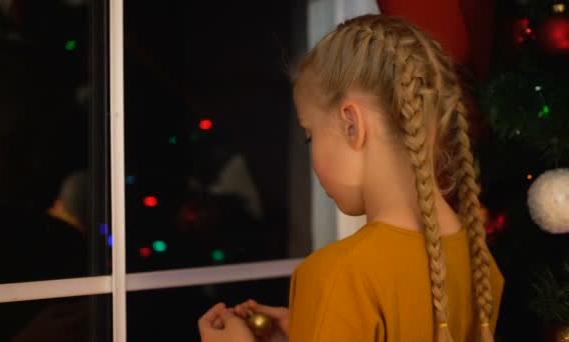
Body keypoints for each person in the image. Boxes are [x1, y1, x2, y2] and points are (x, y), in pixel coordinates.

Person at [198, 14, 504, 342]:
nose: (311, 151)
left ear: (352, 125)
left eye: (309, 135)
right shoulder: (479, 261)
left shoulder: (339, 276)